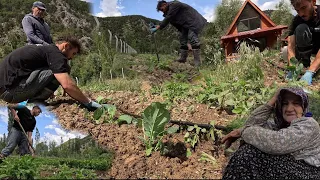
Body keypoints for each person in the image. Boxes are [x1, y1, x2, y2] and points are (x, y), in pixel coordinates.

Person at [221, 87, 320, 179]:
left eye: (296, 104)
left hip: (308, 173)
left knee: (250, 153)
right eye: (285, 103)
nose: (289, 109)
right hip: (290, 172)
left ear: (304, 107)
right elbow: (251, 125)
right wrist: (271, 102)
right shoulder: (277, 125)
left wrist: (243, 131)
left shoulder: (309, 125)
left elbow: (276, 143)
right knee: (249, 147)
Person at [0, 36, 101, 111]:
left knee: (57, 70)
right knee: (58, 71)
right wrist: (88, 102)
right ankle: (35, 103)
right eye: (73, 53)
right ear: (66, 46)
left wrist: (45, 87)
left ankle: (36, 100)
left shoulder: (45, 50)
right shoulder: (56, 54)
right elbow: (67, 85)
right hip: (11, 92)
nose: (72, 57)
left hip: (6, 89)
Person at [150, 1, 207, 67]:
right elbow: (176, 24)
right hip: (184, 25)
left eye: (162, 9)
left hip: (192, 21)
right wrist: (158, 26)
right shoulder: (168, 13)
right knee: (183, 40)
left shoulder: (174, 4)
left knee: (193, 39)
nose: (162, 12)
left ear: (164, 4)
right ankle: (183, 59)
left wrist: (159, 27)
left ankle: (197, 62)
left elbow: (168, 17)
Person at [282, 0, 320, 85]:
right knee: (300, 28)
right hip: (310, 52)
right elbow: (290, 46)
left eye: (304, 8)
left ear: (313, 2)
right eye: (297, 10)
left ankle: (312, 68)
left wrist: (311, 71)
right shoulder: (297, 20)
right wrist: (292, 67)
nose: (301, 14)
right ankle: (305, 63)